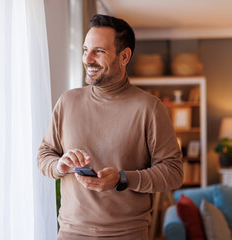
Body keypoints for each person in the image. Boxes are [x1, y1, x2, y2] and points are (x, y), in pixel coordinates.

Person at [37, 14, 183, 239]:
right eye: (86, 50)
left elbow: (173, 173)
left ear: (124, 56)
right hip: (70, 233)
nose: (87, 59)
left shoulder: (150, 108)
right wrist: (60, 165)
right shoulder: (67, 102)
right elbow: (44, 155)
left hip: (128, 234)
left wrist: (123, 178)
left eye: (99, 51)